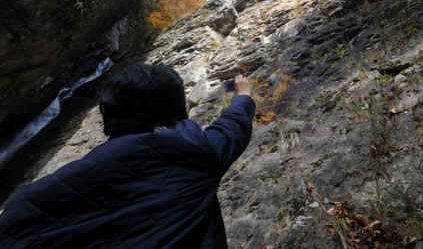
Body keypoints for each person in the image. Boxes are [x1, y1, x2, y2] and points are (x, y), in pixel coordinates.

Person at [0, 64, 255, 249]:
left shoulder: (29, 198)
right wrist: (243, 95)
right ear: (175, 113)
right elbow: (231, 128)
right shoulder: (192, 151)